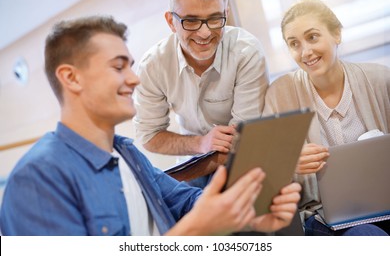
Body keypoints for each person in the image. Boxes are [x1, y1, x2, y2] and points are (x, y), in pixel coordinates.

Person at [0, 15, 301, 236]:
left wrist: (251, 211)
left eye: (130, 66)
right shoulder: (38, 179)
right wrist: (195, 232)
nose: (135, 79)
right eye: (119, 67)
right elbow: (195, 223)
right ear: (71, 78)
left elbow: (186, 203)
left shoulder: (128, 155)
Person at [263, 0, 390, 236]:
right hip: (322, 219)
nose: (305, 52)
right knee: (365, 236)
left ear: (337, 34)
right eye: (294, 43)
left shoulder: (381, 81)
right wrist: (289, 163)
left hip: (385, 207)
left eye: (312, 37)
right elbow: (262, 172)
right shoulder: (279, 95)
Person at [133, 0, 269, 187]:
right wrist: (201, 143)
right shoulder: (153, 66)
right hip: (193, 157)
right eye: (192, 21)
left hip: (243, 155)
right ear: (171, 22)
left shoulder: (246, 52)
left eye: (215, 18)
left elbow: (240, 140)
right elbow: (149, 137)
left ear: (226, 13)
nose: (204, 33)